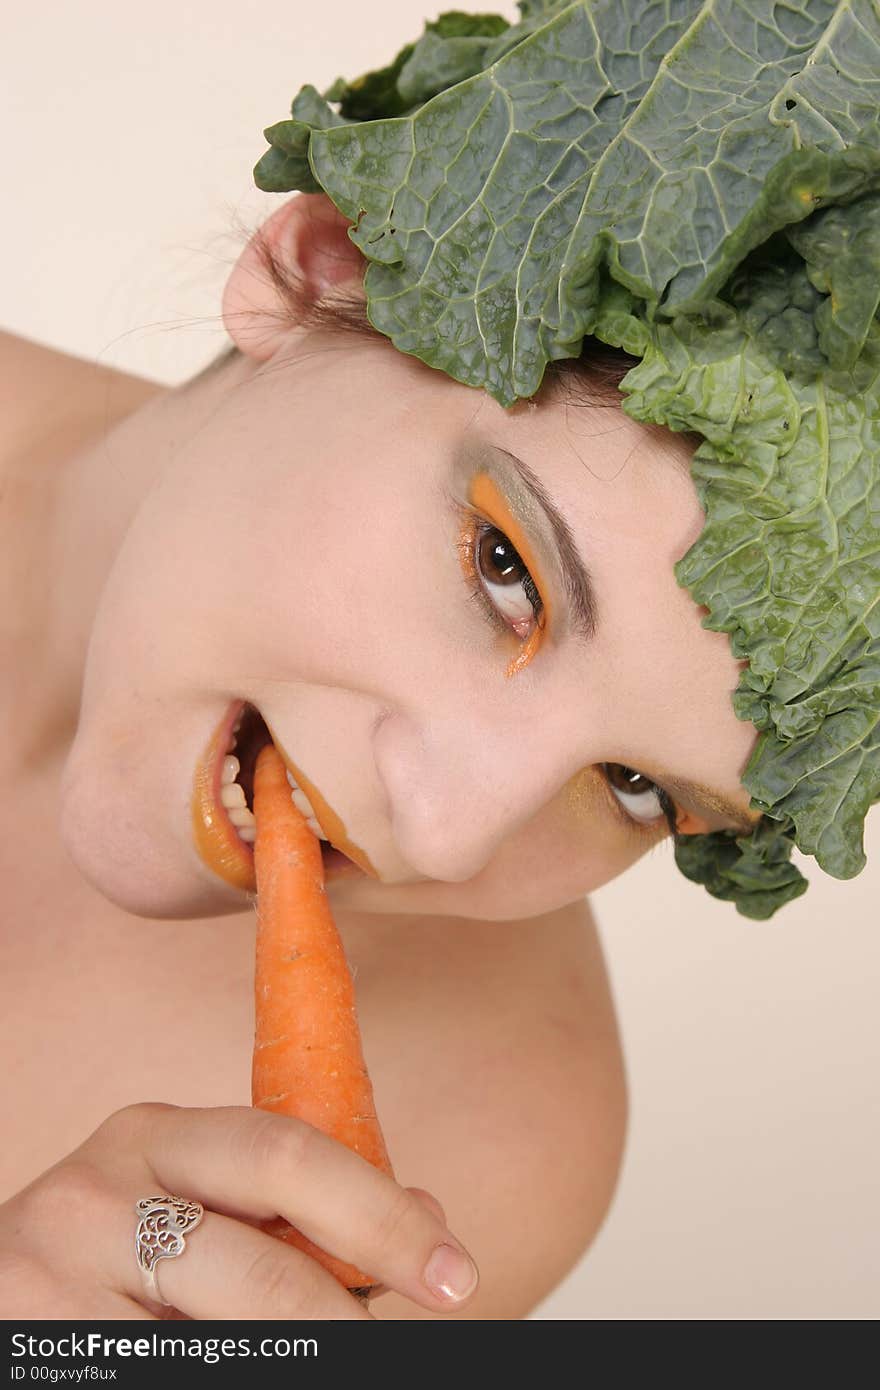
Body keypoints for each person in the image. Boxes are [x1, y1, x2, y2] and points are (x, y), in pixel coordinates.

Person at [0, 185, 774, 1320]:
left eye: (638, 788)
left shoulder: (488, 1130)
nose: (446, 836)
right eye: (505, 568)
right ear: (327, 271)